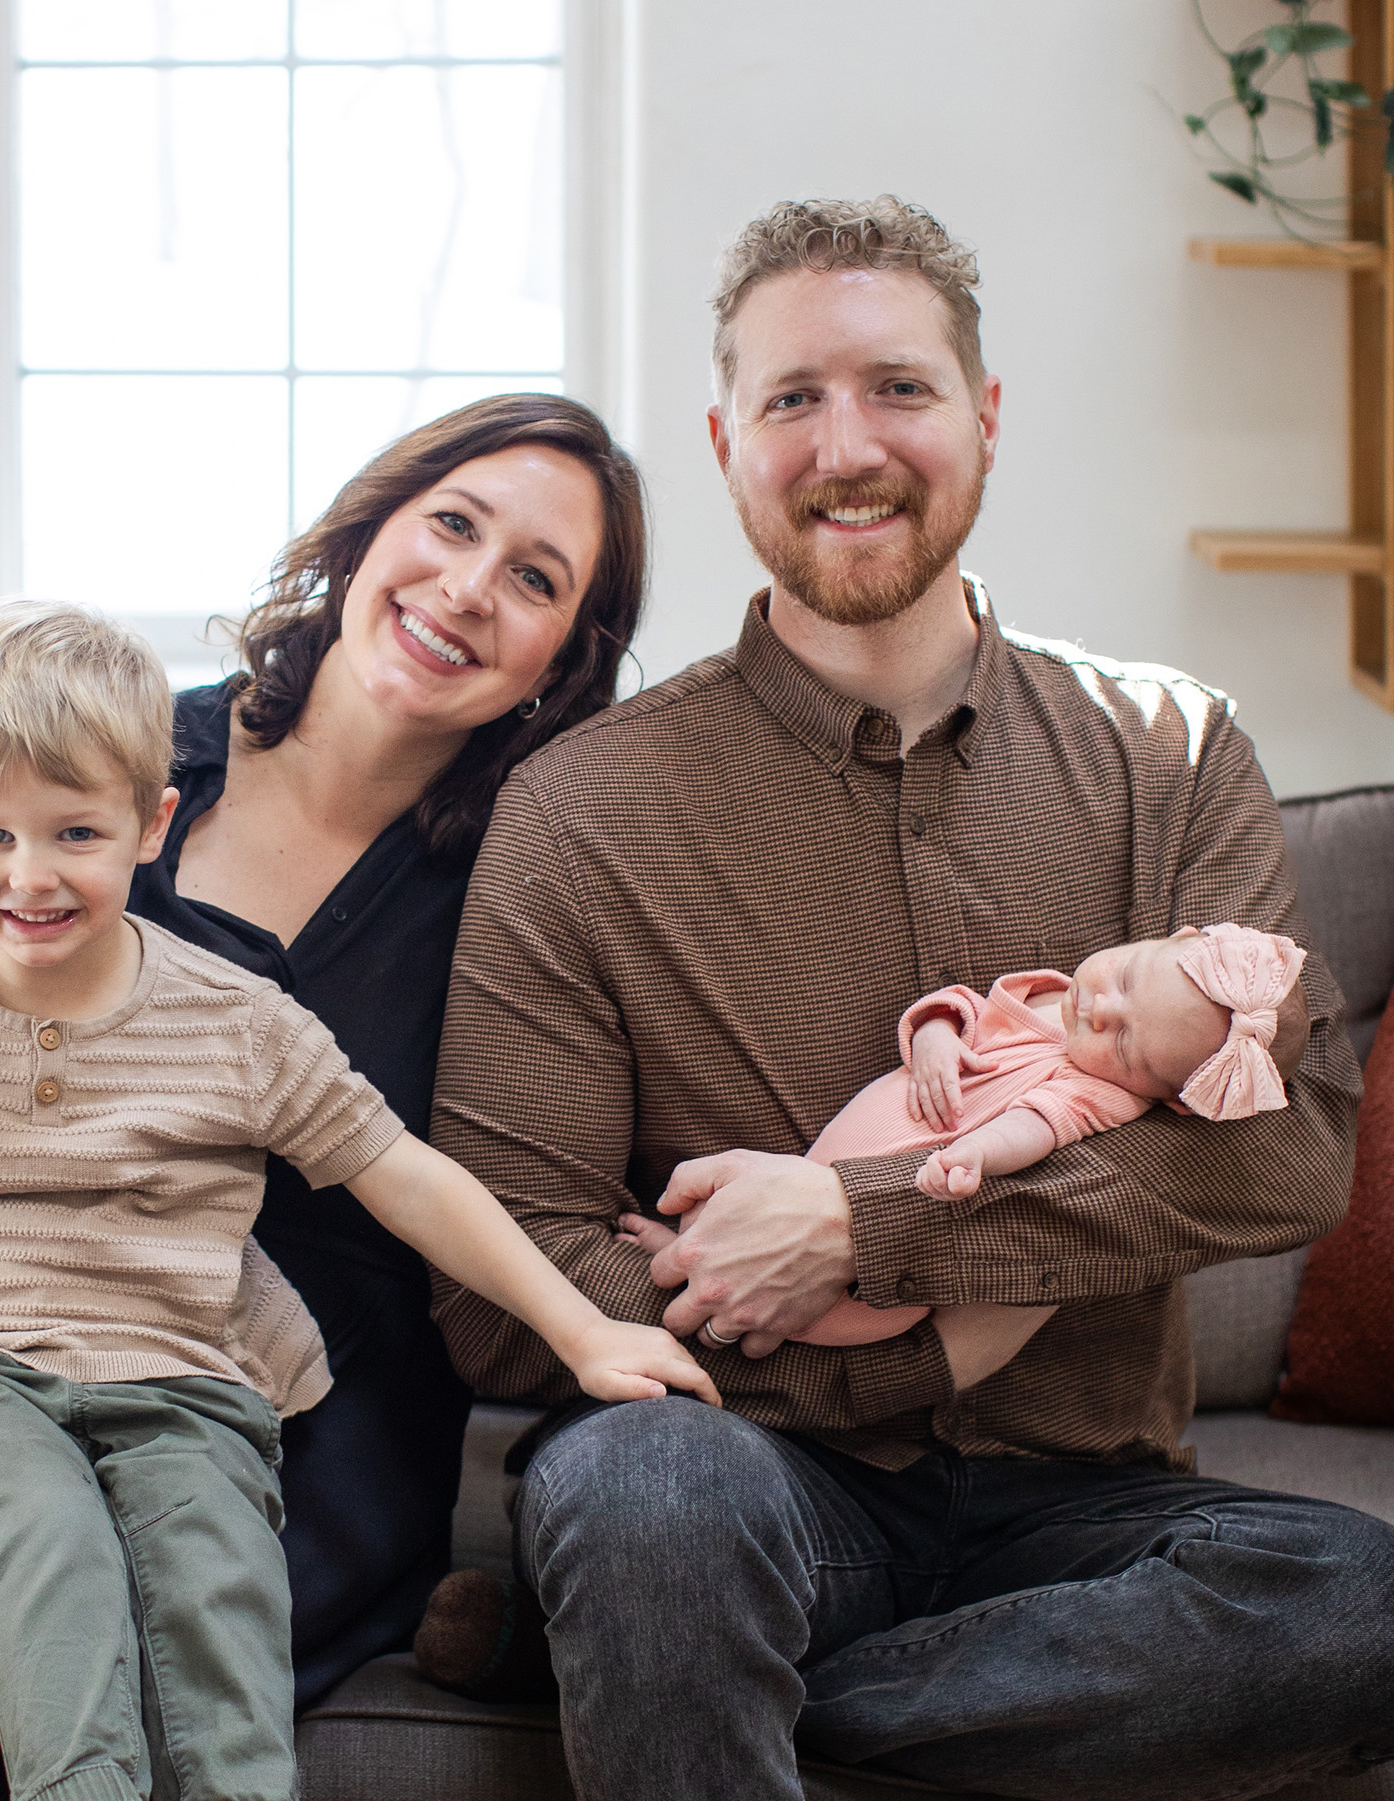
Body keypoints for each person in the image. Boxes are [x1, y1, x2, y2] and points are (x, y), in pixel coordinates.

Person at [427, 199, 1394, 1800]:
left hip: (1088, 1512)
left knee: (1363, 1603)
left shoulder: (1173, 749)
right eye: (794, 401)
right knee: (649, 1505)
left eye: (899, 387)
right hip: (748, 1479)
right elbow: (505, 1278)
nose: (845, 445)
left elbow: (1289, 1154)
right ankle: (677, 1628)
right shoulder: (580, 809)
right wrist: (894, 1363)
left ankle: (703, 1683)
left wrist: (870, 1231)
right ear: (729, 442)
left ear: (987, 418)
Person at [0, 393, 653, 1801]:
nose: (468, 586)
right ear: (366, 533)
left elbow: (486, 1183)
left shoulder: (525, 887)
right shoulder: (70, 764)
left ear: (559, 666)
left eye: (535, 578)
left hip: (260, 1425)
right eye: (451, 524)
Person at [0, 600, 715, 1801]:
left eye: (75, 832)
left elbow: (405, 1174)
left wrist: (584, 1326)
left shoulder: (236, 1019)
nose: (30, 876)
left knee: (220, 1597)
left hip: (187, 1384)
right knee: (57, 1556)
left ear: (153, 825)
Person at [753, 920, 1310, 1346]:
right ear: (1174, 936)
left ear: (1174, 1102)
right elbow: (961, 1009)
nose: (1098, 1009)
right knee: (753, 1193)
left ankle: (769, 1329)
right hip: (831, 1155)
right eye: (1123, 978)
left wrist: (976, 1153)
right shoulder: (1047, 993)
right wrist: (935, 1040)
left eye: (1122, 1044)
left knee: (892, 1315)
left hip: (886, 1178)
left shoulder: (1105, 1093)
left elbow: (1035, 1128)